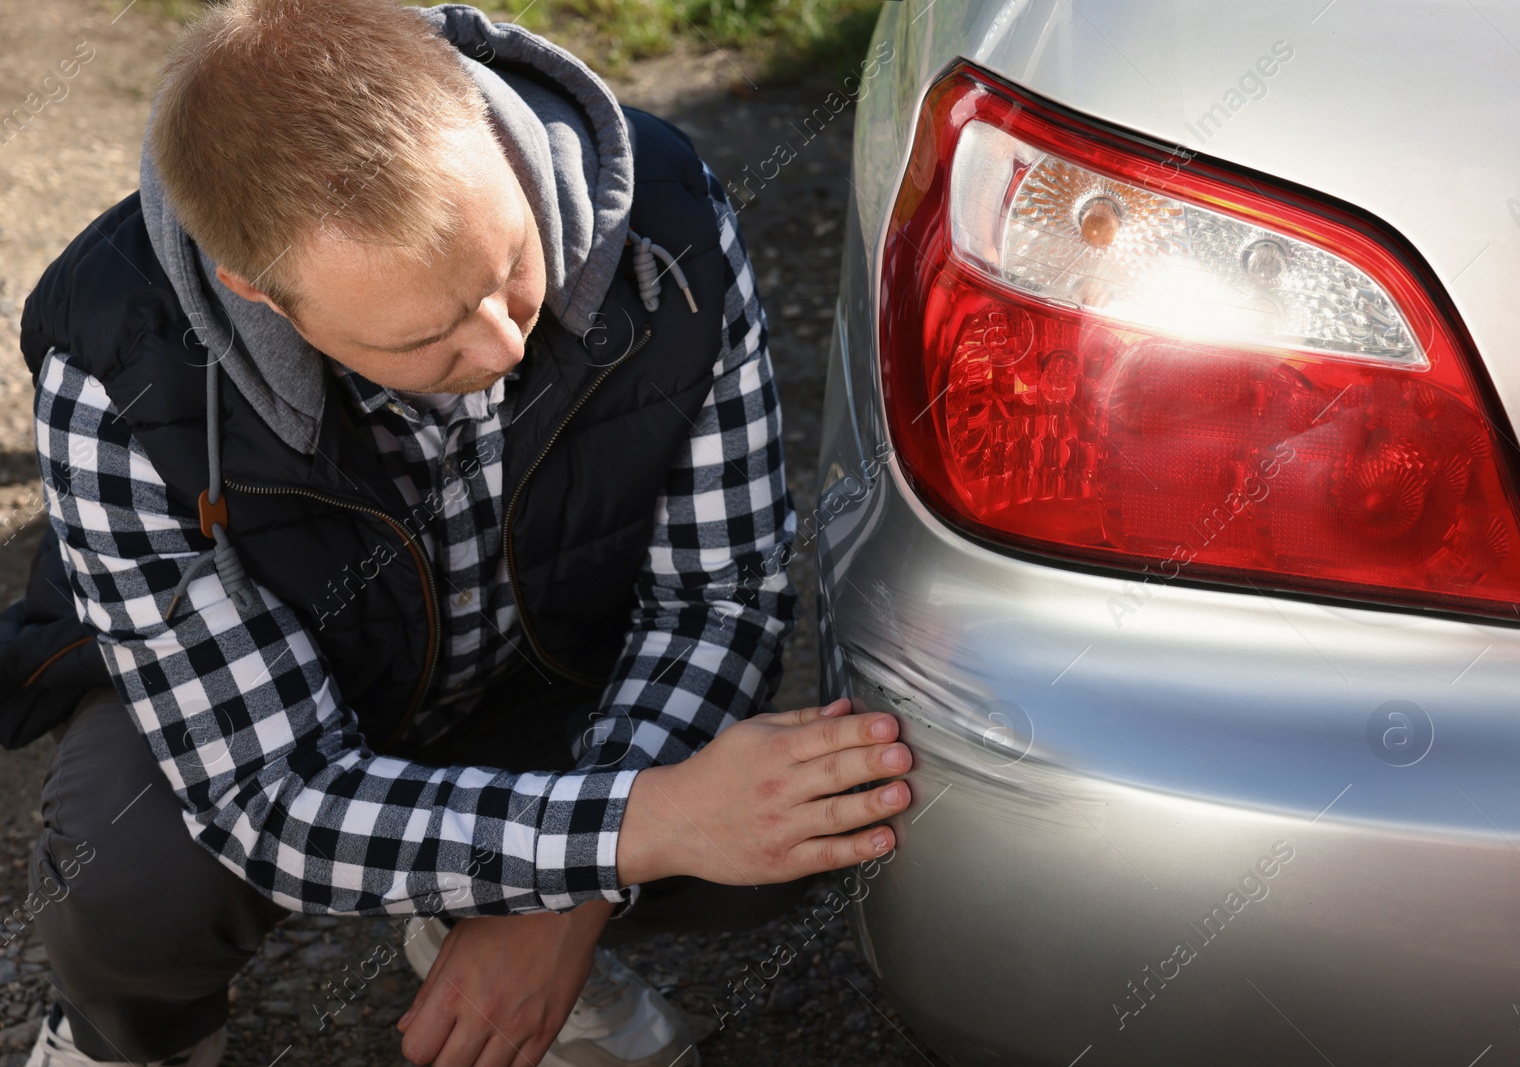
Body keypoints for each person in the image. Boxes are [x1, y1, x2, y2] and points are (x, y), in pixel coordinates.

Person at [4, 2, 914, 1065]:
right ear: (259, 294)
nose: (503, 339)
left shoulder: (667, 216)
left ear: (488, 131)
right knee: (128, 882)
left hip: (543, 676)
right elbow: (269, 792)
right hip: (275, 717)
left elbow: (719, 597)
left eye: (510, 263)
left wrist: (570, 892)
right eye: (423, 333)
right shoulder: (119, 366)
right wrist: (639, 825)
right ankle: (131, 1040)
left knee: (810, 804)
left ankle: (475, 899)